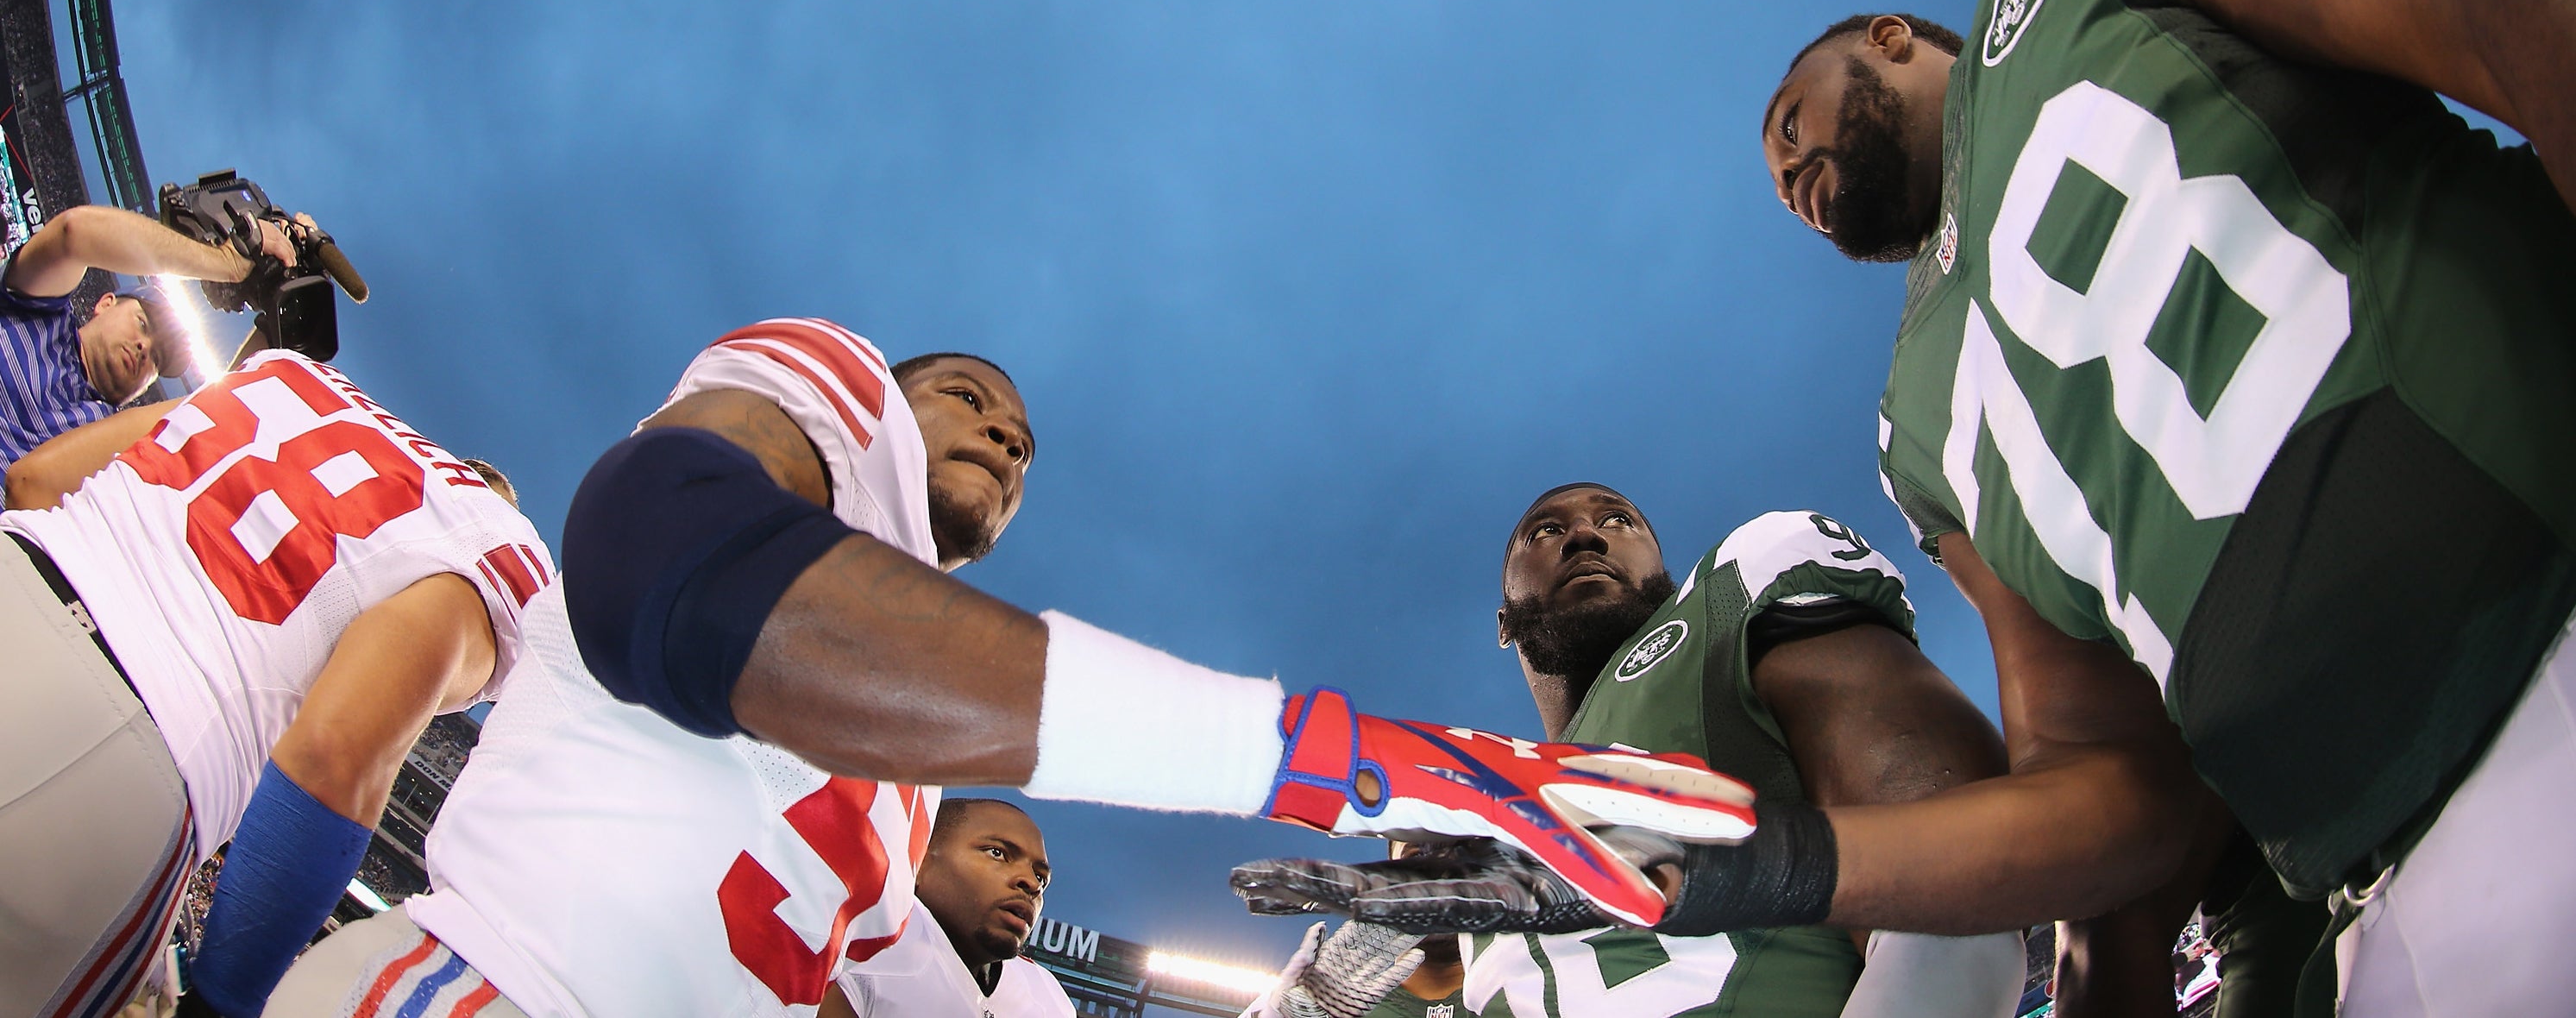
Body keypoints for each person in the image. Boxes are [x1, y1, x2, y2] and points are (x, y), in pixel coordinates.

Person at [1241, 0, 2576, 1015]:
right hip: (2387, 858)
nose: (1789, 170)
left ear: (1889, 38)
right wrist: (1750, 866)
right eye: (1776, 175)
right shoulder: (1919, 420)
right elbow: (2108, 794)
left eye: (1789, 119)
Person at [267, 318, 1756, 1018]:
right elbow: (661, 551)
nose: (999, 436)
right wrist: (1318, 756)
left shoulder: (907, 791)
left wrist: (1330, 988)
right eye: (969, 401)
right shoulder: (822, 417)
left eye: (1024, 448)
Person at [1244, 487, 2027, 1018]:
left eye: (1618, 520)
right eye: (1546, 530)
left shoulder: (1739, 588)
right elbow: (1396, 990)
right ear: (1503, 620)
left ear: (1665, 576)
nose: (1585, 531)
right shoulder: (1479, 823)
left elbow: (1958, 891)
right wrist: (1334, 982)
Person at [0, 348, 551, 1018]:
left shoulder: (294, 374)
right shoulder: (502, 540)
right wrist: (223, 998)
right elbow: (338, 748)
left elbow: (34, 478)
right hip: (117, 750)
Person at [0, 201, 307, 469]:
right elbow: (75, 233)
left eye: (158, 359)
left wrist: (284, 305)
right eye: (143, 325)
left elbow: (207, 418)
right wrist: (228, 262)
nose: (144, 347)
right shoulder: (40, 312)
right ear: (105, 303)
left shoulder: (114, 441)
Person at [827, 798, 1073, 1018]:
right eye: (997, 853)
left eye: (1041, 878)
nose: (1031, 884)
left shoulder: (1048, 997)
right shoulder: (863, 950)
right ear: (920, 860)